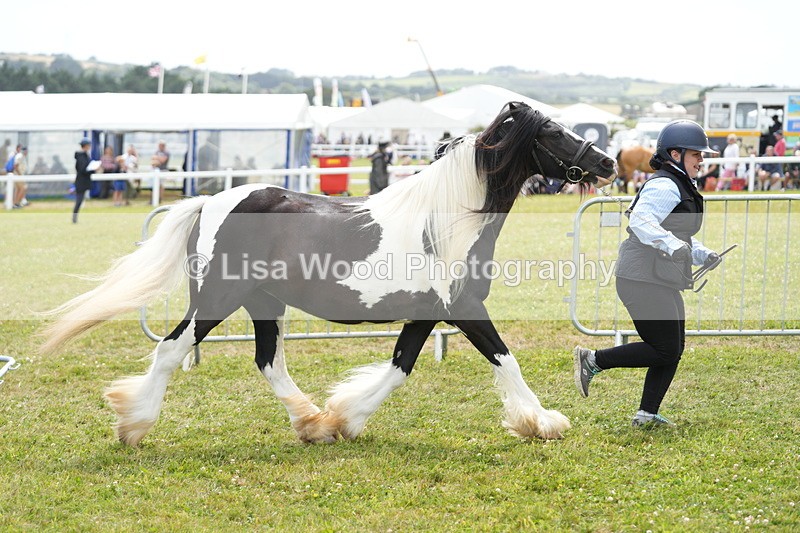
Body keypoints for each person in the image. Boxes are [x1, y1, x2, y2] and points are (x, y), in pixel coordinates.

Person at [573, 119, 720, 428]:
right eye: (697, 154)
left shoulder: (678, 184)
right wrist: (672, 246)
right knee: (665, 348)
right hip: (641, 278)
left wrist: (701, 253)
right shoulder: (665, 184)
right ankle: (594, 360)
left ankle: (646, 414)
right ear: (676, 154)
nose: (702, 161)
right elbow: (641, 221)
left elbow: (674, 235)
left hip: (658, 277)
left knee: (673, 348)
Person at [72, 138, 97, 223]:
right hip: (81, 181)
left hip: (83, 180)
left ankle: (75, 218)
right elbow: (83, 169)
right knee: (79, 200)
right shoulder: (82, 156)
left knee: (80, 200)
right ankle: (74, 218)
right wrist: (92, 169)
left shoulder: (84, 155)